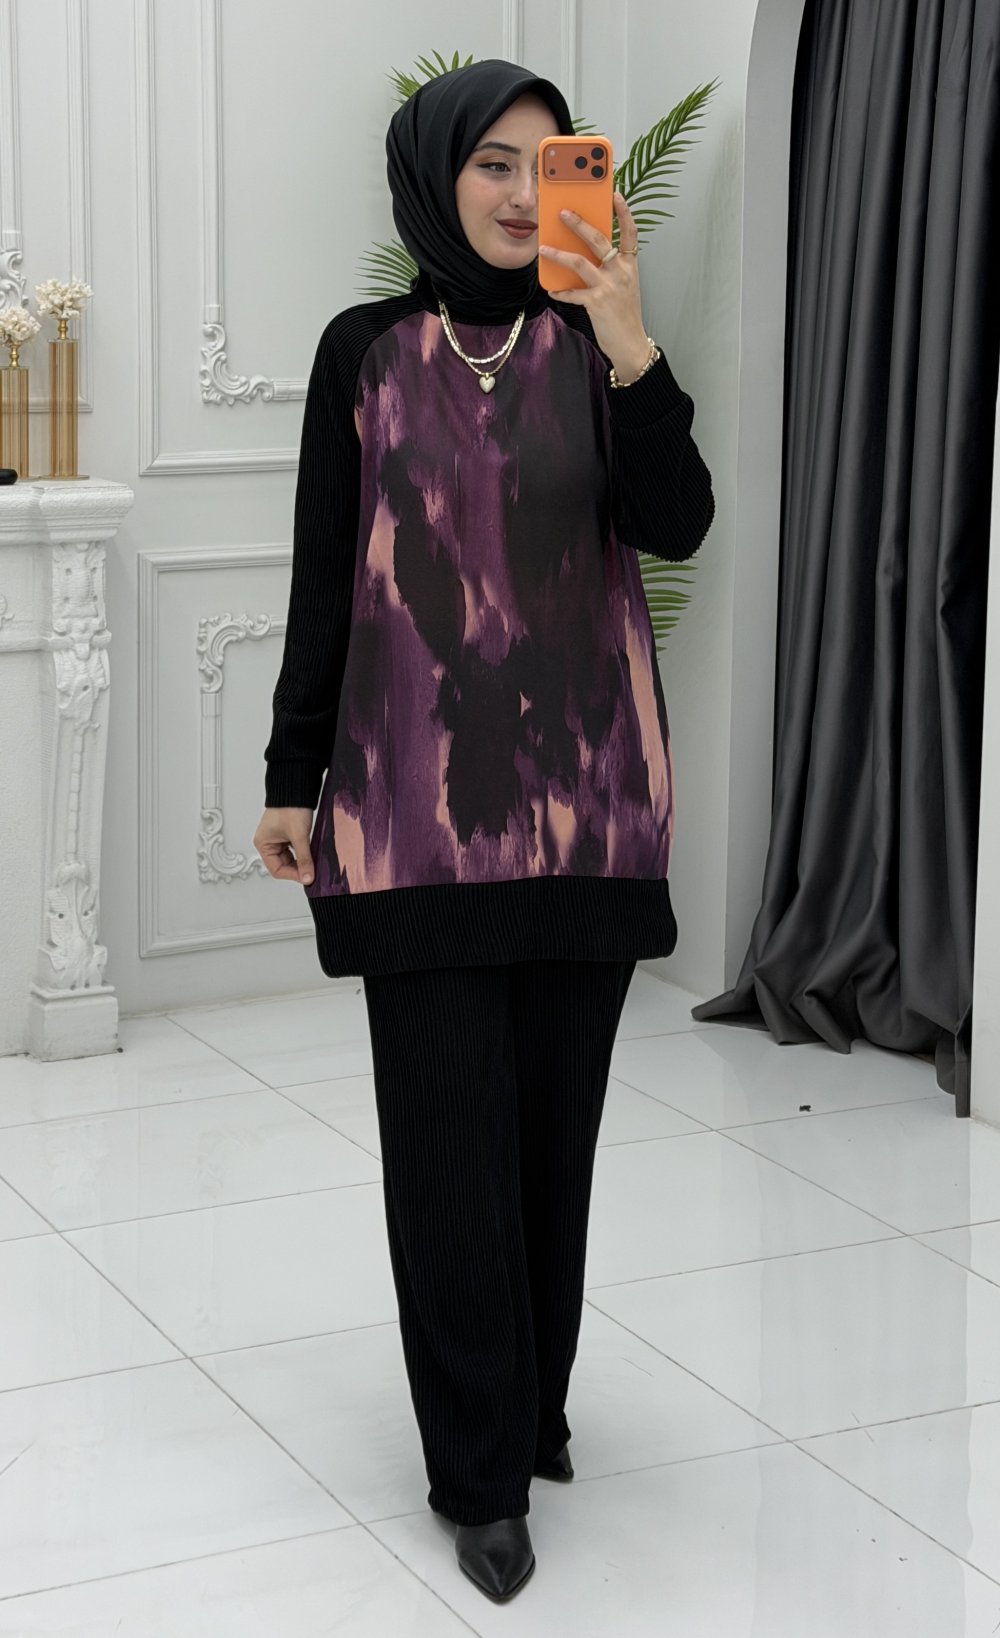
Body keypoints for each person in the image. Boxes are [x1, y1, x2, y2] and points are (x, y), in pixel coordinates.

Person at [253, 58, 714, 1605]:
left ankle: (534, 1403)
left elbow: (678, 521)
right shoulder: (365, 354)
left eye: (547, 163)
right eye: (492, 165)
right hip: (413, 815)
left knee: (550, 1145)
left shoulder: (599, 346)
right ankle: (480, 1472)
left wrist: (635, 344)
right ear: (437, 178)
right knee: (450, 1152)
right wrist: (291, 772)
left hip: (592, 807)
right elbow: (329, 571)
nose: (522, 194)